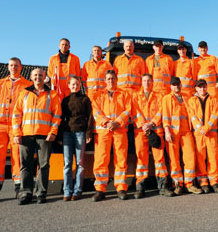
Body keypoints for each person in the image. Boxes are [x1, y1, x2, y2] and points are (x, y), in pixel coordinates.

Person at [0, 57, 32, 204]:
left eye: (16, 65)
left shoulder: (27, 85)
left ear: (21, 67)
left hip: (17, 127)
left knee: (18, 157)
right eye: (11, 65)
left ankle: (19, 190)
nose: (13, 67)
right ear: (8, 67)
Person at [12, 68, 62, 205]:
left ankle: (41, 193)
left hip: (44, 135)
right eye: (35, 75)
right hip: (26, 134)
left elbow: (56, 116)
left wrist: (53, 132)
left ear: (45, 77)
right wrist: (17, 133)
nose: (38, 77)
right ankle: (26, 193)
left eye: (40, 75)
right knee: (25, 165)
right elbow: (16, 115)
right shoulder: (24, 93)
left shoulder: (52, 94)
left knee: (44, 165)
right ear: (31, 77)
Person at [91, 70, 131, 201]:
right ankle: (100, 189)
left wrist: (117, 122)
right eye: (108, 79)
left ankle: (121, 188)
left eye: (113, 78)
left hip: (119, 130)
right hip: (103, 131)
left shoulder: (124, 94)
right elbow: (96, 111)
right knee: (101, 159)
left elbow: (128, 110)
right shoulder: (98, 95)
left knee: (121, 159)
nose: (110, 81)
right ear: (104, 80)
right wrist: (107, 122)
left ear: (116, 79)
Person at [132, 74, 173, 198]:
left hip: (156, 131)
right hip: (140, 132)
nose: (146, 83)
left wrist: (152, 123)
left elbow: (161, 111)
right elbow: (135, 111)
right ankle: (140, 187)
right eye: (144, 80)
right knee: (141, 160)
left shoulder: (159, 96)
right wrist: (143, 125)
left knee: (160, 160)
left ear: (152, 82)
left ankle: (163, 186)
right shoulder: (135, 96)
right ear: (141, 82)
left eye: (149, 80)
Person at [162, 77, 202, 195]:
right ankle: (177, 184)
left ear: (181, 85)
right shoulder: (167, 99)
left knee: (190, 156)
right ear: (171, 86)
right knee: (174, 159)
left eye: (178, 84)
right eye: (174, 85)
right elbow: (165, 116)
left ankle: (189, 184)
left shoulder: (186, 97)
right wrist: (167, 131)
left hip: (186, 131)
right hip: (173, 132)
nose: (176, 87)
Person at [59, 76, 94, 201]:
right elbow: (60, 118)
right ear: (68, 85)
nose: (75, 86)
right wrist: (59, 135)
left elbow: (90, 117)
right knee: (67, 163)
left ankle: (77, 191)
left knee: (80, 163)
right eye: (73, 84)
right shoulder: (65, 101)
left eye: (77, 84)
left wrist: (88, 133)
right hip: (67, 133)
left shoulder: (85, 99)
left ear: (80, 85)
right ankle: (67, 192)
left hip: (80, 133)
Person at [188, 79, 218, 193]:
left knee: (213, 157)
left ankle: (214, 182)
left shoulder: (213, 100)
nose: (202, 89)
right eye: (199, 87)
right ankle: (203, 182)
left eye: (204, 87)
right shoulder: (192, 100)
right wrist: (199, 128)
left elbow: (215, 114)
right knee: (200, 158)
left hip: (211, 132)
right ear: (196, 89)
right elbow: (192, 116)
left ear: (206, 87)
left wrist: (206, 127)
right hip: (198, 134)